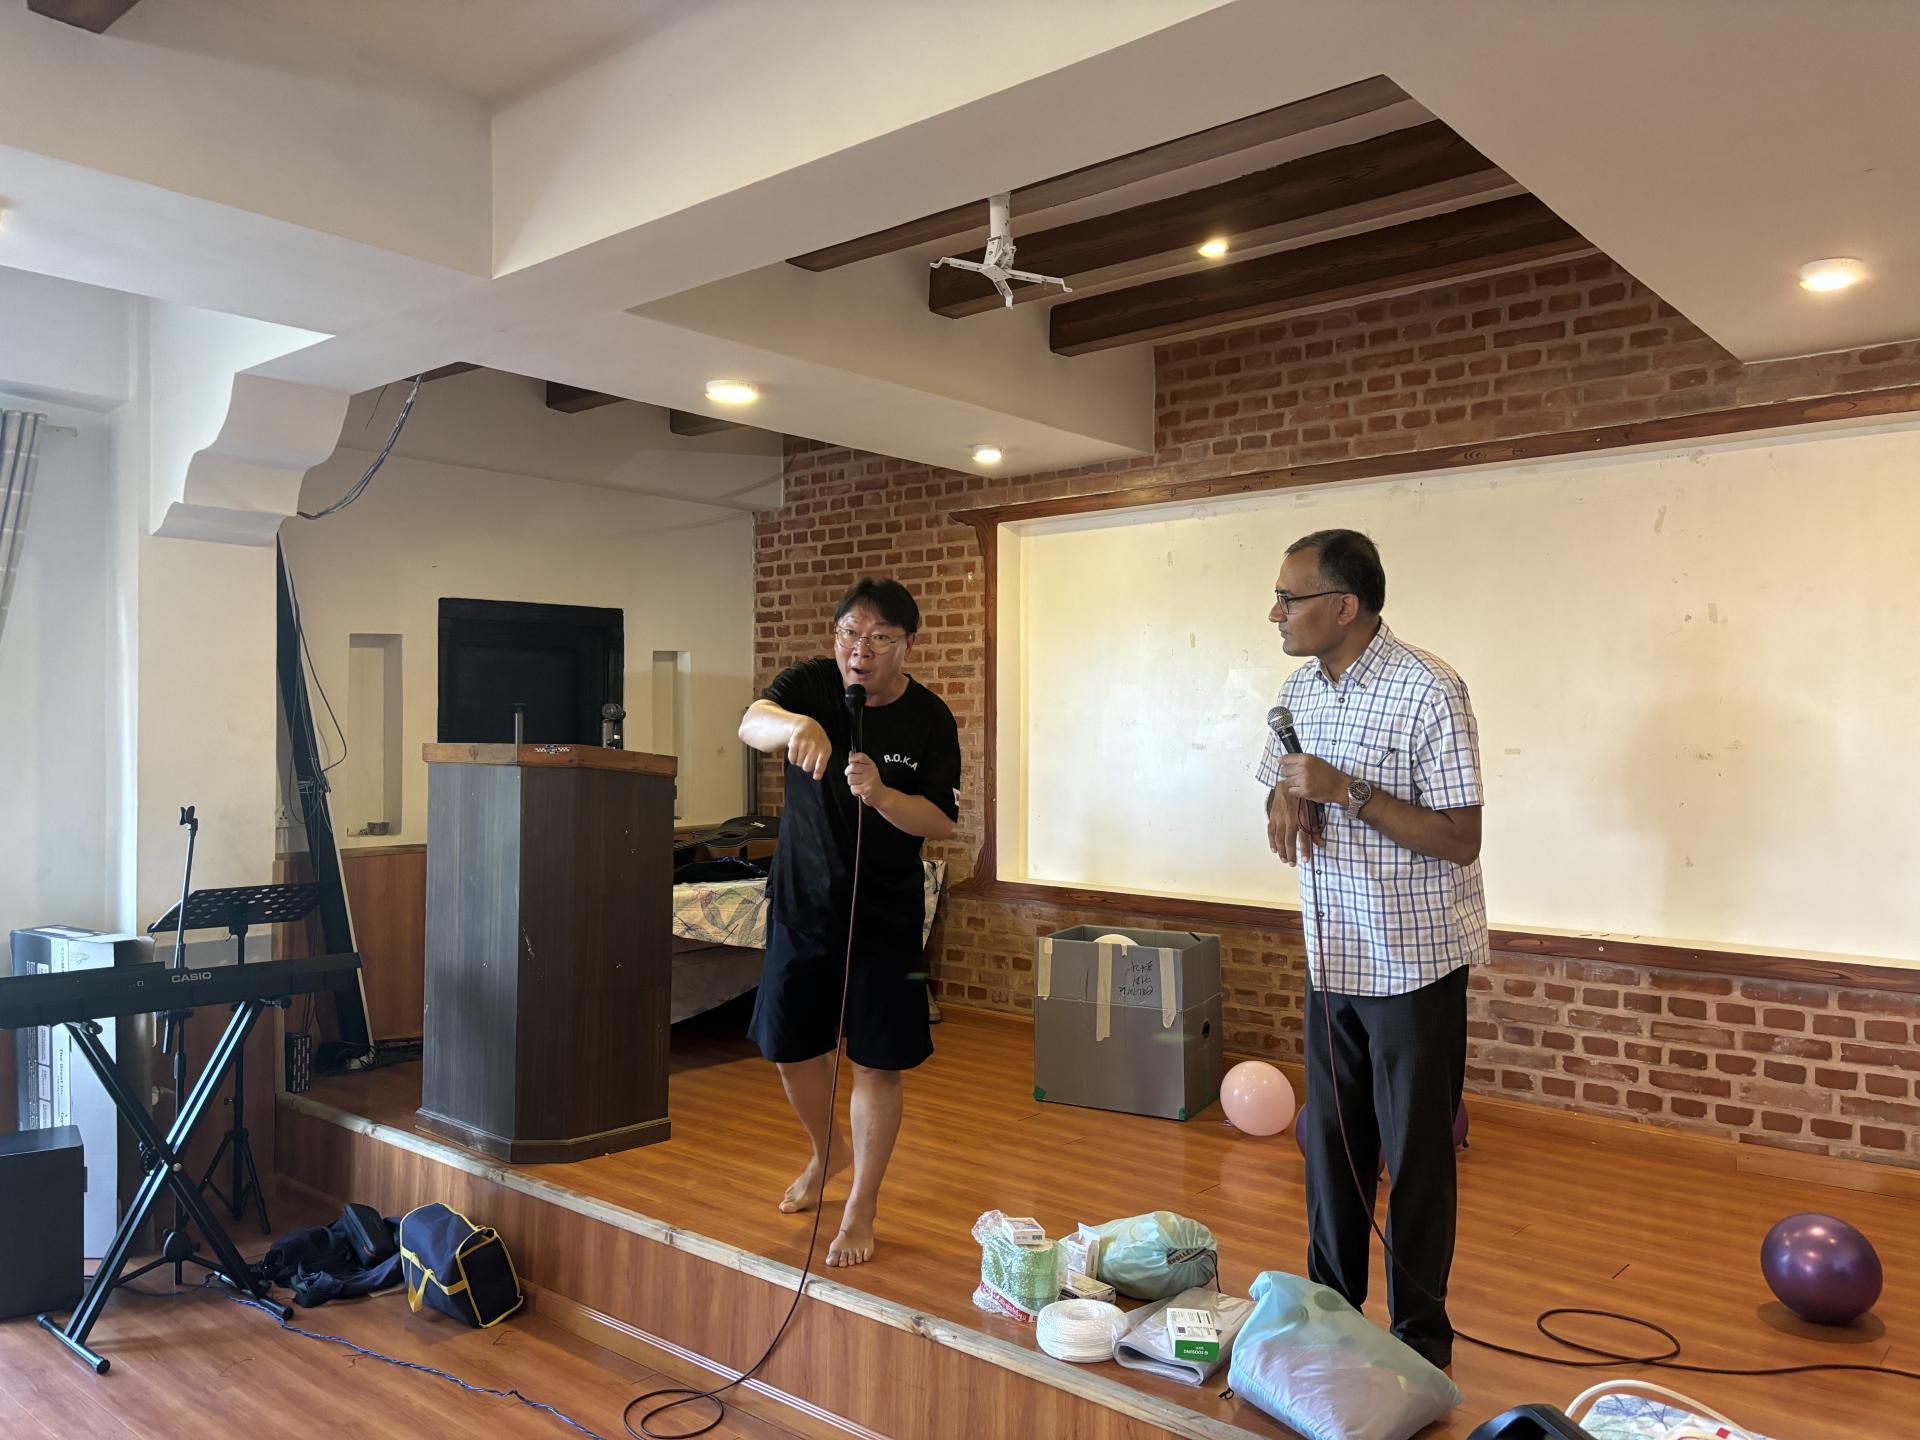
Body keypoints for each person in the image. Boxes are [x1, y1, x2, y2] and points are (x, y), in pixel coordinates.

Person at [1254, 528, 1486, 1369]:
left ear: (1344, 606)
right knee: (1332, 1146)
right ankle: (1331, 1313)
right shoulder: (1298, 690)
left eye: (1290, 598)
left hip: (1412, 963)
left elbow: (1460, 837)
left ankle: (1421, 1340)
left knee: (1416, 1155)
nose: (1275, 613)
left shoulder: (1430, 690)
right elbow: (1279, 787)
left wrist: (1346, 790)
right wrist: (1284, 803)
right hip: (1332, 957)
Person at [737, 577, 961, 1268]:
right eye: (849, 635)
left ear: (907, 644)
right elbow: (751, 722)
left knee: (876, 1065)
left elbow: (941, 820)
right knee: (789, 1049)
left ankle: (862, 1205)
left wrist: (884, 794)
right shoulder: (810, 684)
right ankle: (826, 1151)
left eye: (879, 639)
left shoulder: (929, 718)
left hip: (884, 915)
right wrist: (794, 726)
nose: (860, 651)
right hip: (803, 905)